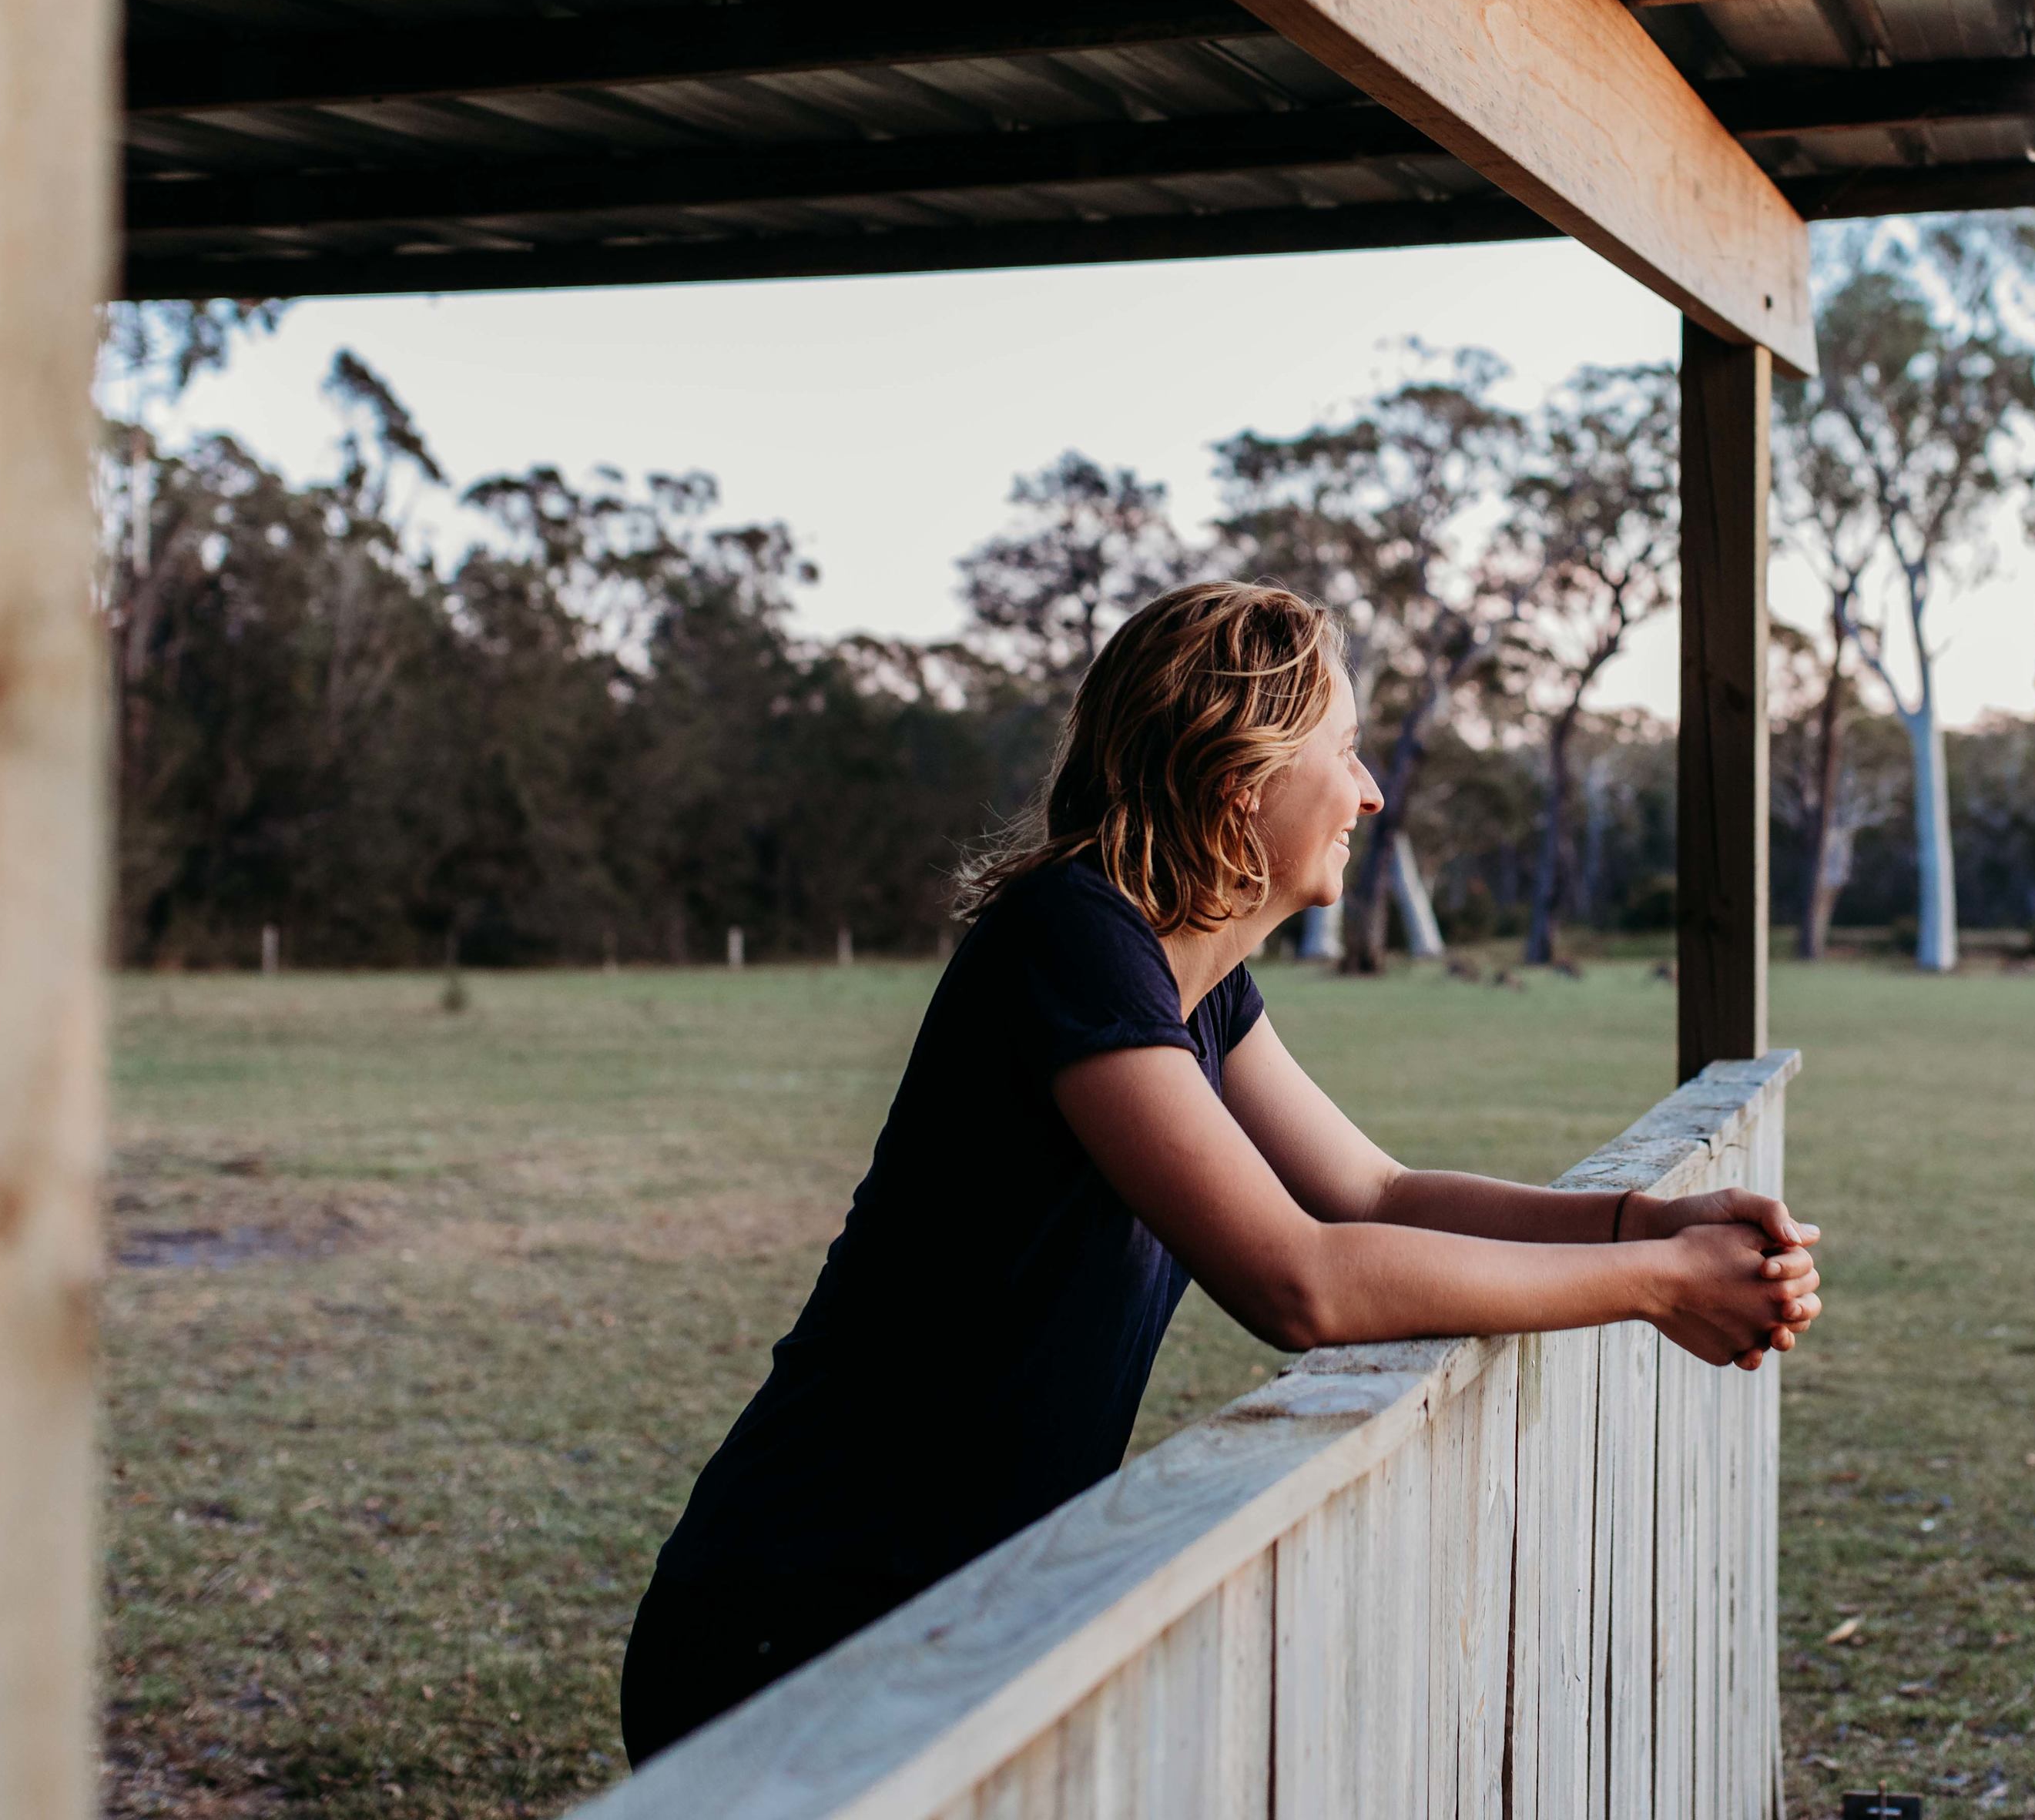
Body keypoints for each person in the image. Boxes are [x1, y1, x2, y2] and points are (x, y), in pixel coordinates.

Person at [618, 579, 1821, 1765]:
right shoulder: (1070, 938)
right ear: (1244, 778)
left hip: (949, 1620)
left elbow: (1377, 1193)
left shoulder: (1192, 984)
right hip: (795, 1620)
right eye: (1344, 753)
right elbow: (1299, 1281)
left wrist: (1642, 1223)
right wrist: (1658, 1284)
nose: (1371, 790)